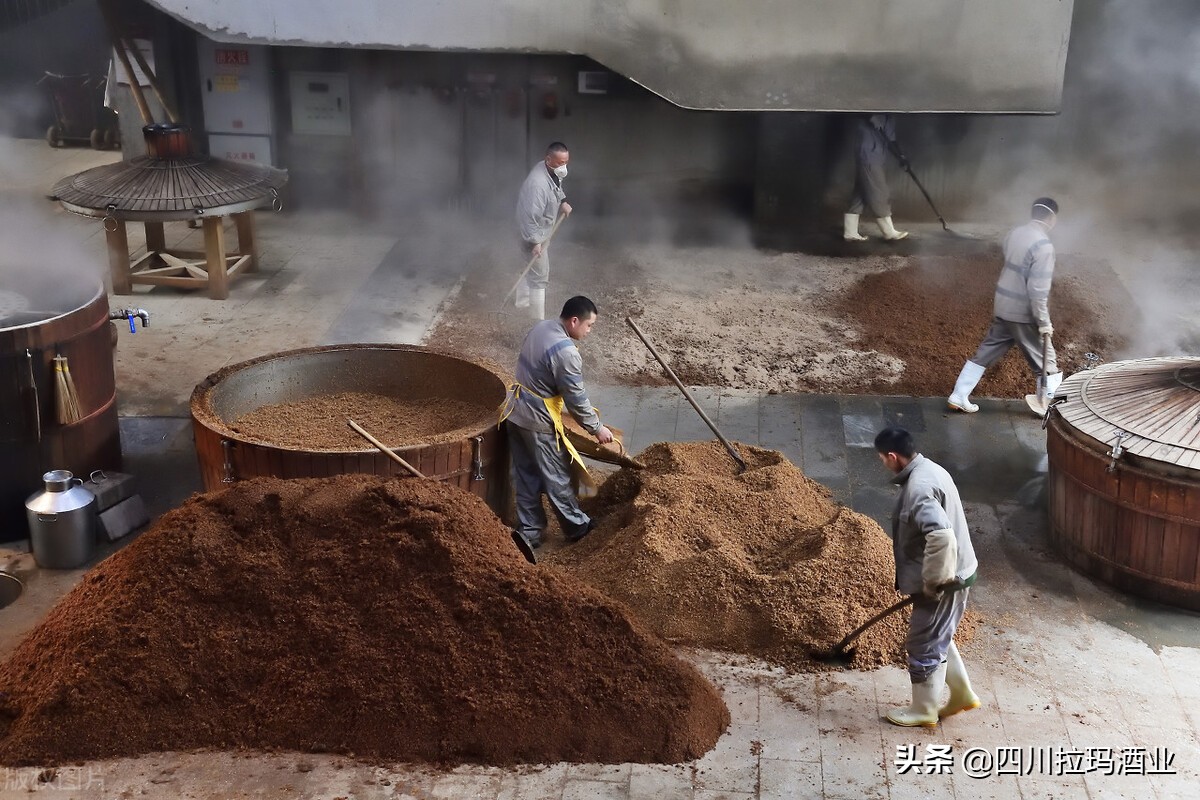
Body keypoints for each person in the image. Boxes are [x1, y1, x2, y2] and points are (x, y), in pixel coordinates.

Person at [874, 426, 980, 728]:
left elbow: (941, 536)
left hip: (947, 579)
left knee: (923, 643)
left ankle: (924, 710)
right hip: (960, 569)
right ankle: (961, 694)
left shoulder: (918, 489)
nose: (883, 463)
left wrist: (934, 581)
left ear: (893, 456)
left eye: (882, 458)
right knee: (938, 634)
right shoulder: (930, 469)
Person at [500, 295, 613, 549]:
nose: (589, 331)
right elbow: (576, 399)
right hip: (537, 420)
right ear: (574, 321)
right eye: (589, 325)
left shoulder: (541, 327)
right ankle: (577, 527)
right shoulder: (566, 352)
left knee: (526, 474)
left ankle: (530, 531)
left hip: (514, 411)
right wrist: (597, 428)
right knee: (556, 475)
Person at [948, 197, 1062, 417]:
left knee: (987, 351)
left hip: (1003, 304)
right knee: (1046, 358)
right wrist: (1044, 322)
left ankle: (959, 395)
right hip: (1023, 313)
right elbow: (1038, 290)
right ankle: (1049, 407)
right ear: (1051, 218)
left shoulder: (1015, 233)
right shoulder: (1044, 246)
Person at [515, 142, 573, 320]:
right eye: (560, 163)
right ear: (548, 159)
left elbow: (556, 186)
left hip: (537, 230)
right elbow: (530, 218)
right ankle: (537, 320)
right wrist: (535, 243)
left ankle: (522, 302)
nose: (564, 167)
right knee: (539, 275)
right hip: (531, 233)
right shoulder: (537, 185)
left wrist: (563, 201)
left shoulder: (550, 170)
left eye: (566, 162)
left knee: (528, 267)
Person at [844, 114, 908, 242]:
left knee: (860, 195)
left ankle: (850, 232)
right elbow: (854, 110)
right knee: (879, 192)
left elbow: (891, 140)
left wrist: (901, 157)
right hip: (868, 156)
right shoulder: (873, 108)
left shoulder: (890, 117)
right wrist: (869, 115)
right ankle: (889, 232)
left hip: (876, 157)